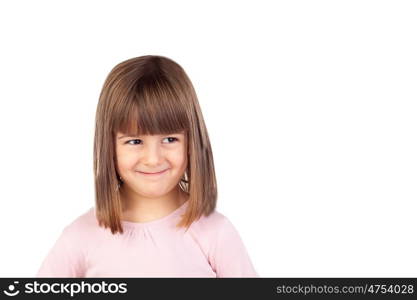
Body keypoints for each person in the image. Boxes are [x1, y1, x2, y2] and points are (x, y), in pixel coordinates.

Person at [36, 55, 258, 277]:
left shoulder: (216, 233)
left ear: (192, 141)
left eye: (170, 139)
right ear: (109, 146)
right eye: (135, 141)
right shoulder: (79, 238)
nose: (153, 159)